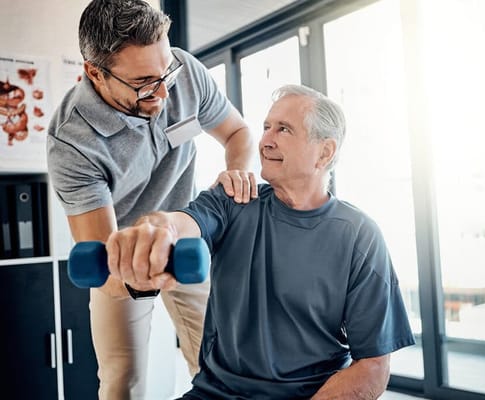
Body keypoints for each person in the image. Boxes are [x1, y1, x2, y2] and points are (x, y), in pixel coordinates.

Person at [104, 84, 415, 399]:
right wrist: (155, 228)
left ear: (325, 152)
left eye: (284, 130)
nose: (265, 140)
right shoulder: (233, 199)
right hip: (215, 393)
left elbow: (373, 365)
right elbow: (181, 223)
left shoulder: (359, 235)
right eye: (266, 127)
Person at [46, 0, 256, 399]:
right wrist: (148, 269)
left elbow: (238, 134)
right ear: (95, 73)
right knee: (122, 378)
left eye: (166, 73)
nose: (162, 92)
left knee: (219, 365)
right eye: (144, 82)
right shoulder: (71, 141)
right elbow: (105, 268)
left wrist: (238, 170)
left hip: (188, 238)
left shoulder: (184, 72)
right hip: (124, 256)